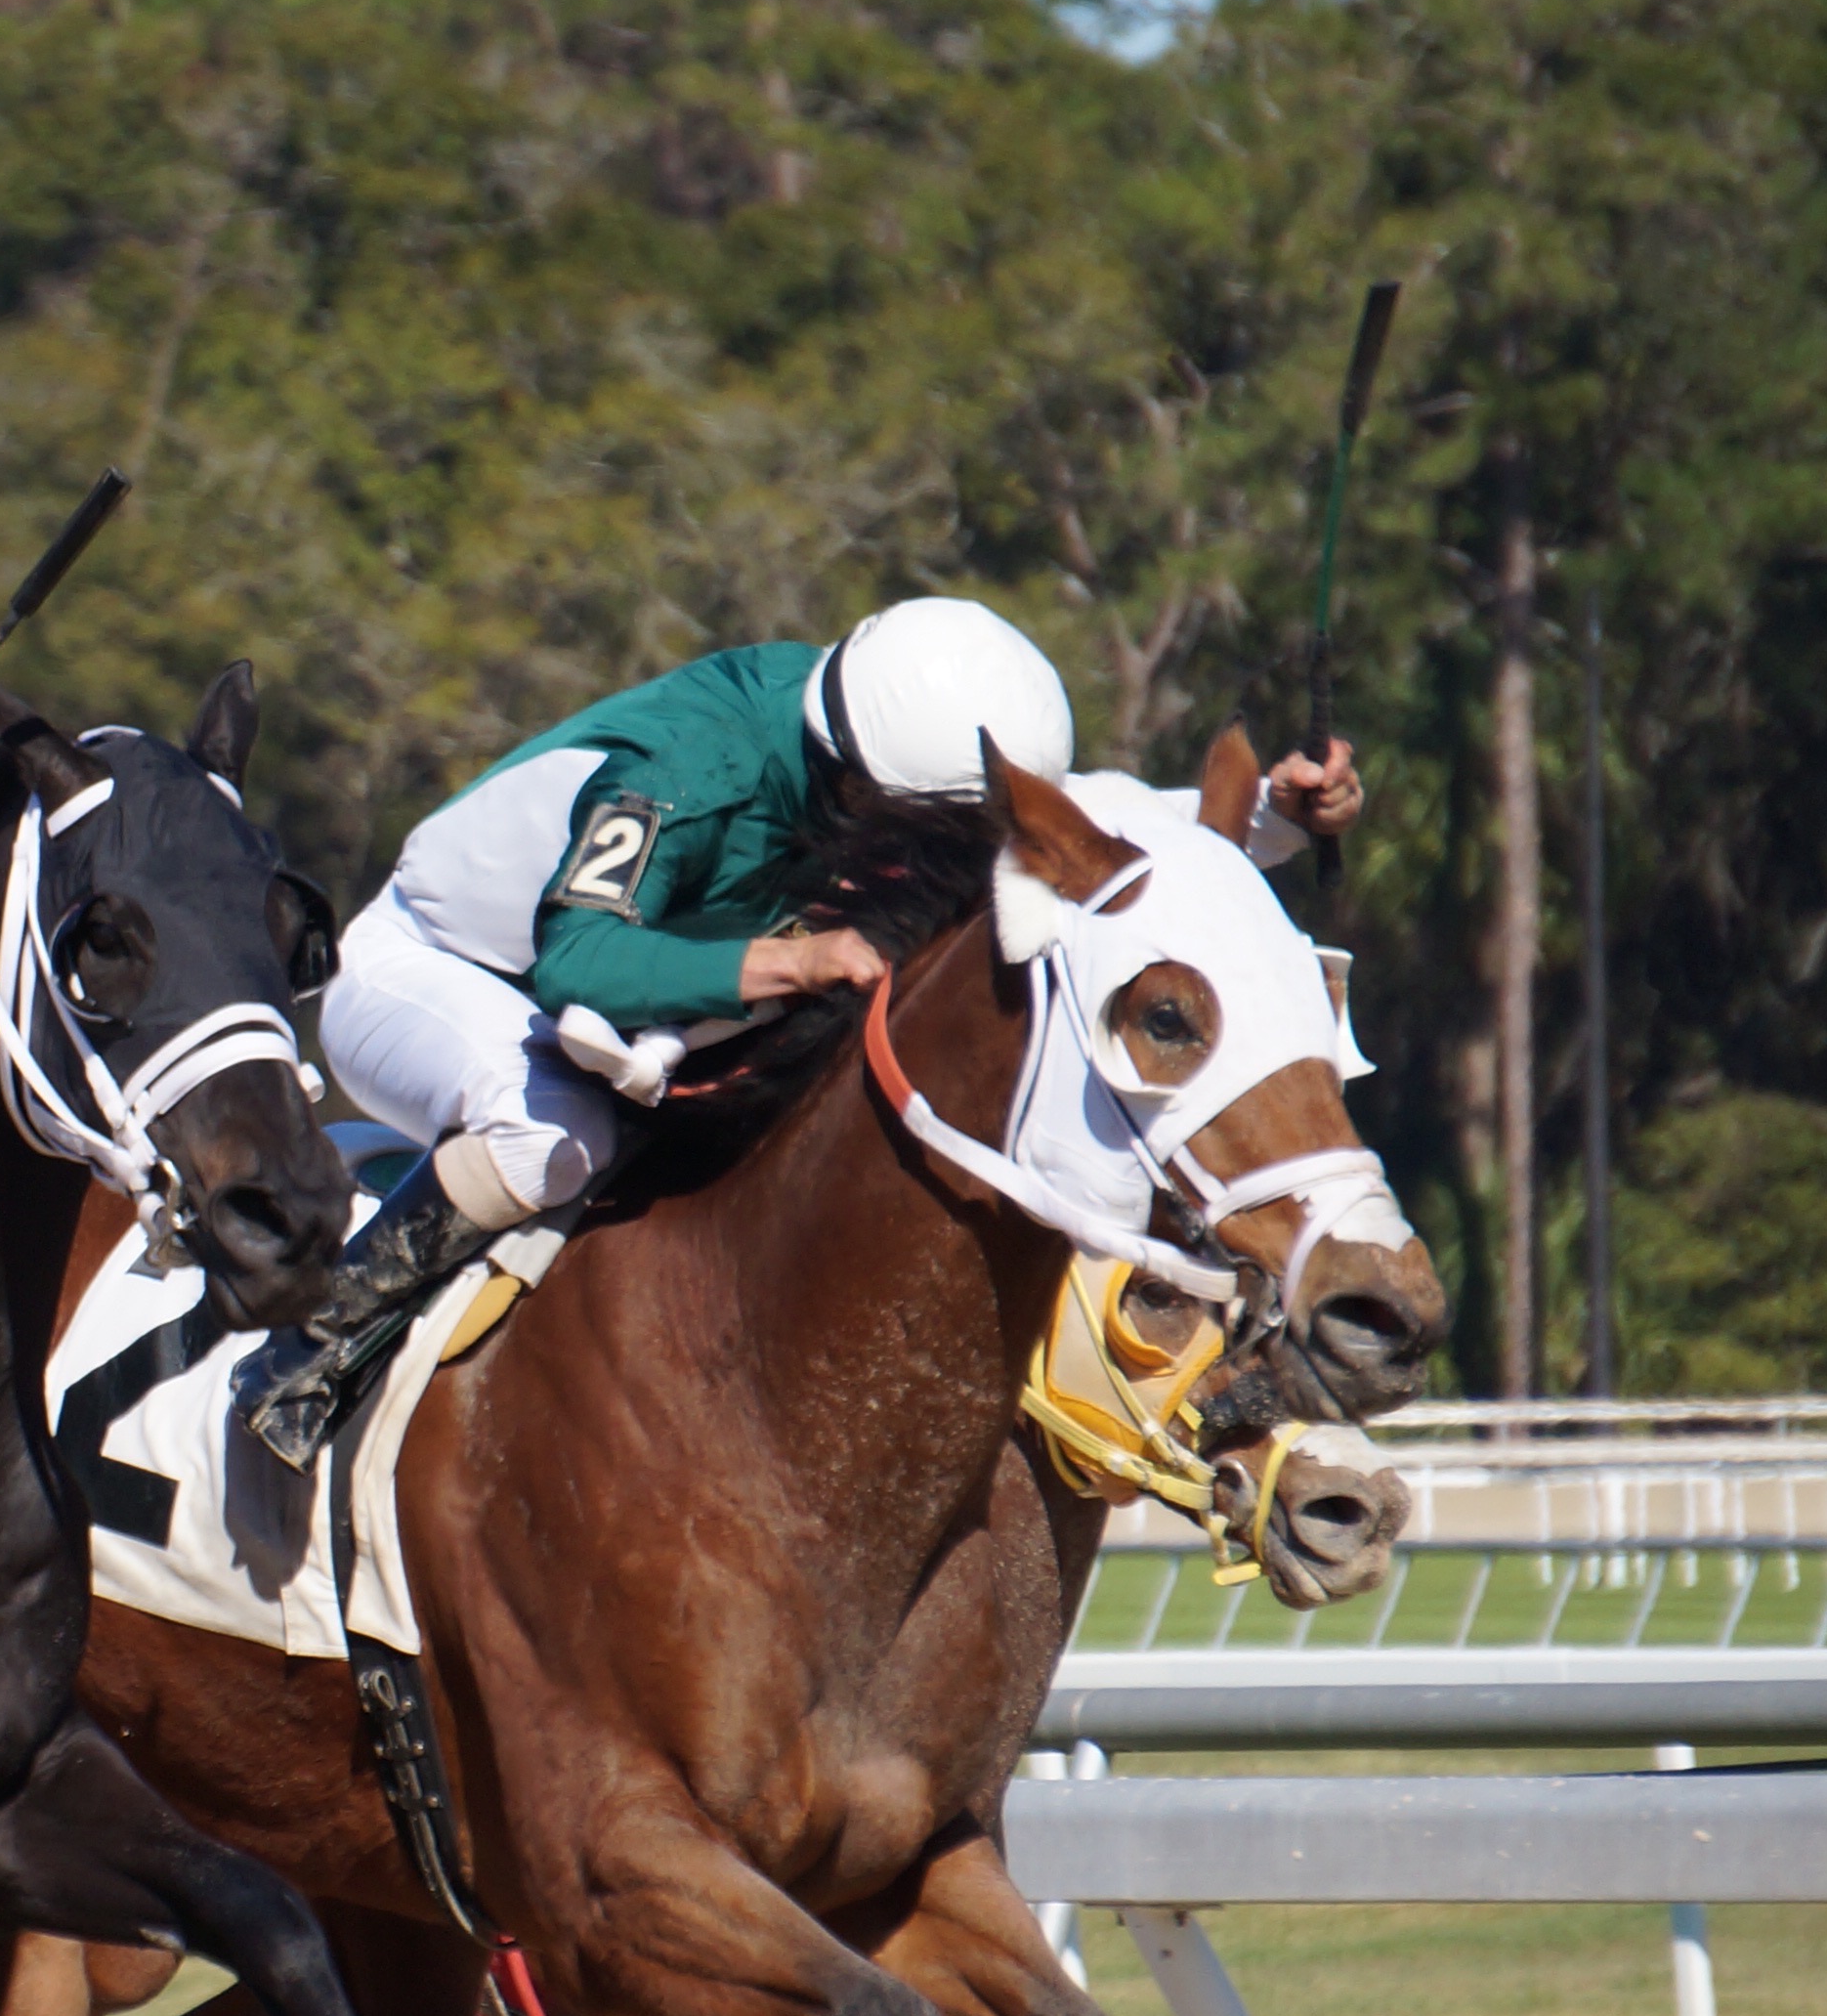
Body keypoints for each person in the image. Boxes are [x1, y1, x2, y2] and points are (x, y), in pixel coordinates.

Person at [236, 599, 1363, 1465]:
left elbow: (1084, 841)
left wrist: (1268, 815)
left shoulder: (882, 741)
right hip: (438, 976)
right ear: (864, 781)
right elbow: (577, 957)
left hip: (616, 997)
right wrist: (785, 959)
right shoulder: (695, 772)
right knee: (556, 1139)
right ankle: (310, 1356)